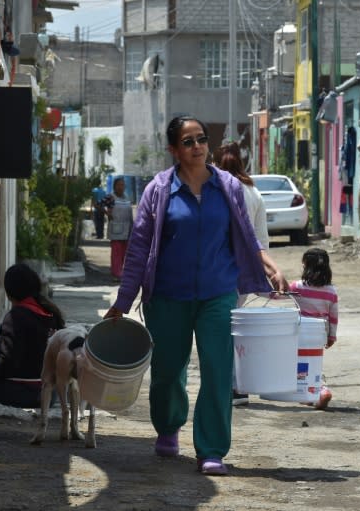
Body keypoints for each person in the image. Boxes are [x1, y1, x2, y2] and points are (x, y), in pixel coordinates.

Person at [103, 115, 288, 476]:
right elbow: (139, 250)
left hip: (217, 295)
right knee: (169, 371)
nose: (197, 146)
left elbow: (246, 236)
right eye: (188, 142)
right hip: (168, 297)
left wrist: (268, 264)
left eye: (201, 139)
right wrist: (122, 303)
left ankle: (212, 448)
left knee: (218, 372)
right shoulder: (158, 190)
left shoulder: (228, 187)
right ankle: (169, 426)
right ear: (173, 149)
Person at [215, 141, 269, 407]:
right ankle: (238, 385)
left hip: (217, 268)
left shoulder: (214, 188)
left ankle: (230, 386)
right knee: (234, 327)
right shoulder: (253, 192)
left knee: (220, 329)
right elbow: (262, 237)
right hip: (244, 270)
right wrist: (263, 269)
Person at [0, 263, 65, 408]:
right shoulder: (52, 315)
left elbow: (8, 364)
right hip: (50, 395)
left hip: (27, 393)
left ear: (8, 293)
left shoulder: (15, 317)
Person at [290, 248, 338, 410]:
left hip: (301, 334)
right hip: (320, 334)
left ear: (305, 266)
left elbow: (276, 295)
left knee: (302, 365)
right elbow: (333, 317)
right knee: (315, 363)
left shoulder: (298, 287)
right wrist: (332, 337)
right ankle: (314, 393)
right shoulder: (331, 291)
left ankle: (316, 391)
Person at [104, 176, 134, 280]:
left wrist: (133, 226)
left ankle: (120, 271)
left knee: (124, 253)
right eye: (119, 185)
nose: (121, 187)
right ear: (114, 186)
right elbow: (98, 204)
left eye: (123, 185)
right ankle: (116, 273)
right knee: (116, 252)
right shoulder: (111, 197)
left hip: (127, 229)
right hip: (116, 230)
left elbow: (130, 213)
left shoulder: (126, 197)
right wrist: (108, 213)